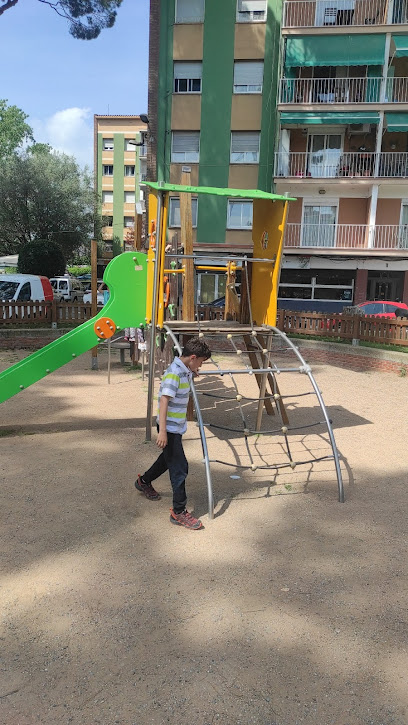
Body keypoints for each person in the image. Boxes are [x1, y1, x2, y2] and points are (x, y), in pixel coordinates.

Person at [135, 337, 211, 530]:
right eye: (200, 362)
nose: (200, 365)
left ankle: (144, 481)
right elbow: (164, 401)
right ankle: (179, 511)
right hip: (168, 427)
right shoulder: (175, 374)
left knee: (167, 459)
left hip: (174, 427)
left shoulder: (184, 370)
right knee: (179, 467)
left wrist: (193, 372)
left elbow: (185, 379)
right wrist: (162, 432)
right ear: (192, 357)